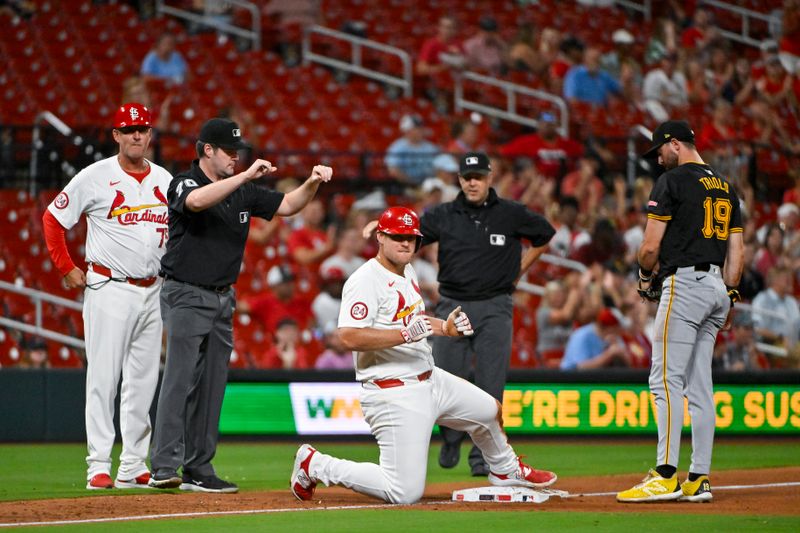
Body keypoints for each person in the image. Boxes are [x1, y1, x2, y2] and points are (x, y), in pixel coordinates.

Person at [289, 206, 557, 504]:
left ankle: (506, 470)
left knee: (488, 410)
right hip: (393, 390)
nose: (405, 243)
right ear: (380, 237)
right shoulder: (365, 279)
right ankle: (315, 464)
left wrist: (444, 327)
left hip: (430, 378)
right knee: (404, 492)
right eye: (397, 236)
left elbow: (413, 321)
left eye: (411, 238)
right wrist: (406, 334)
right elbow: (349, 336)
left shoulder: (407, 269)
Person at [148, 117, 333, 493]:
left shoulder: (244, 191)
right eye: (229, 151)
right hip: (186, 292)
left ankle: (199, 467)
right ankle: (164, 466)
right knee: (180, 380)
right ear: (207, 150)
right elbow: (196, 202)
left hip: (222, 297)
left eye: (238, 151)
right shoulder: (184, 180)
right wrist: (245, 176)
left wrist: (312, 182)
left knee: (213, 386)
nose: (236, 157)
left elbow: (289, 205)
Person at [42, 103, 173, 490]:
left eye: (142, 128)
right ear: (115, 135)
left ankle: (133, 463)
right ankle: (98, 463)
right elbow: (53, 218)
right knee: (104, 378)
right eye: (128, 129)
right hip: (109, 287)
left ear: (150, 134)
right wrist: (65, 266)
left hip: (153, 288)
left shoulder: (164, 179)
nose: (136, 135)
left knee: (143, 379)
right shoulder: (95, 176)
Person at [617, 120, 744, 504]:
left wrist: (642, 275)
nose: (658, 159)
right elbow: (736, 253)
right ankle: (699, 478)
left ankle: (667, 473)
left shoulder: (671, 183)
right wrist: (731, 294)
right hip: (718, 288)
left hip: (685, 285)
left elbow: (650, 248)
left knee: (664, 380)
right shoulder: (726, 187)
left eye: (659, 150)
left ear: (675, 144)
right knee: (700, 387)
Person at [419, 152, 555, 476]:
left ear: (489, 177)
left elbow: (544, 234)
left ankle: (483, 457)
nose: (473, 182)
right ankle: (450, 438)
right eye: (467, 177)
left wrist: (517, 271)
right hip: (452, 304)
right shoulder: (444, 214)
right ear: (459, 180)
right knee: (446, 378)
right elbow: (411, 238)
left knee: (490, 385)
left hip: (495, 305)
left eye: (478, 176)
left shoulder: (510, 213)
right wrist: (381, 226)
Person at [559, 308, 629, 370]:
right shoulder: (582, 336)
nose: (620, 331)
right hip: (572, 381)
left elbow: (629, 363)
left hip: (597, 381)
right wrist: (609, 354)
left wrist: (622, 354)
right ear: (610, 327)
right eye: (617, 328)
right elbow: (581, 367)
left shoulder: (614, 338)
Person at [384, 114, 440, 185]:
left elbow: (440, 166)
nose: (420, 130)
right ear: (407, 130)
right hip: (405, 186)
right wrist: (413, 183)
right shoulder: (397, 147)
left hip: (429, 185)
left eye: (420, 128)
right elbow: (393, 171)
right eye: (417, 128)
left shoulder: (430, 147)